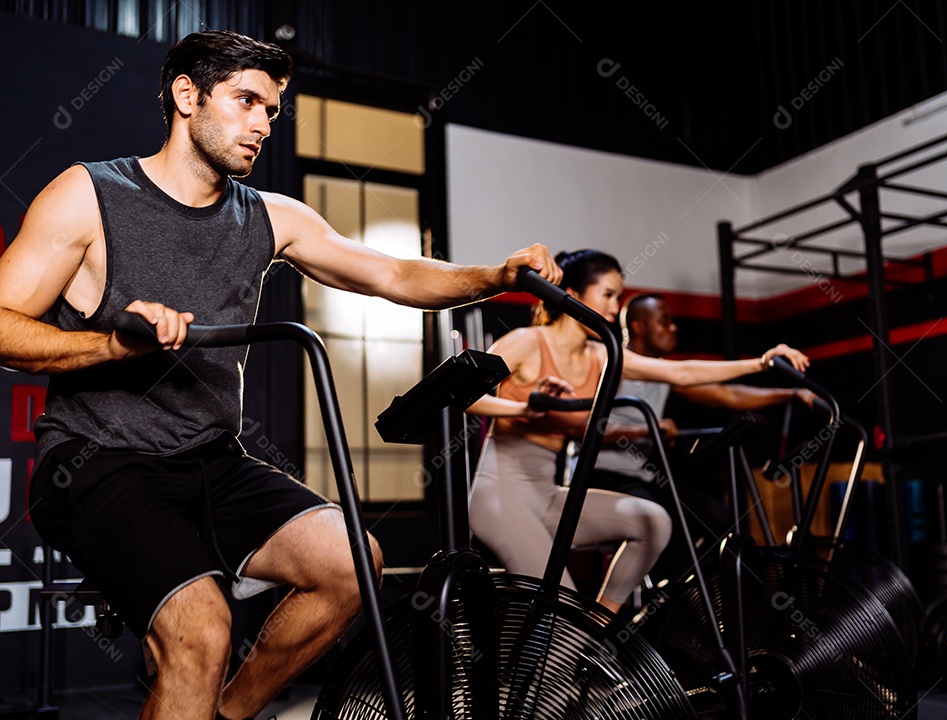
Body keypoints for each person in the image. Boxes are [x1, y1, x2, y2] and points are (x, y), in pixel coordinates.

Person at [0, 30, 561, 720]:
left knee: (354, 561)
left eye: (272, 109)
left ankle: (228, 714)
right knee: (203, 631)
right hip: (100, 459)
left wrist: (494, 277)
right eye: (246, 101)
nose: (264, 123)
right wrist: (110, 346)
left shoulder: (271, 217)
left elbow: (390, 272)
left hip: (212, 460)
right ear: (186, 95)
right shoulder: (90, 194)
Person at [466, 250, 808, 616]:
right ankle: (578, 642)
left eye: (618, 296)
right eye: (608, 295)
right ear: (575, 296)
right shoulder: (527, 342)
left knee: (655, 520)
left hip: (546, 493)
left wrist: (762, 362)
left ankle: (601, 624)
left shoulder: (602, 354)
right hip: (500, 494)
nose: (615, 307)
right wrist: (524, 408)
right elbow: (464, 397)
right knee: (560, 611)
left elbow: (683, 373)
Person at [591, 293, 818, 580]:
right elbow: (586, 427)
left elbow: (728, 394)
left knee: (721, 518)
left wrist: (793, 394)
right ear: (638, 326)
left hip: (642, 479)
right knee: (670, 532)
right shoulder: (609, 364)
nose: (673, 327)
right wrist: (648, 429)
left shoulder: (662, 372)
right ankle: (680, 605)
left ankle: (717, 596)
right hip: (601, 478)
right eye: (665, 321)